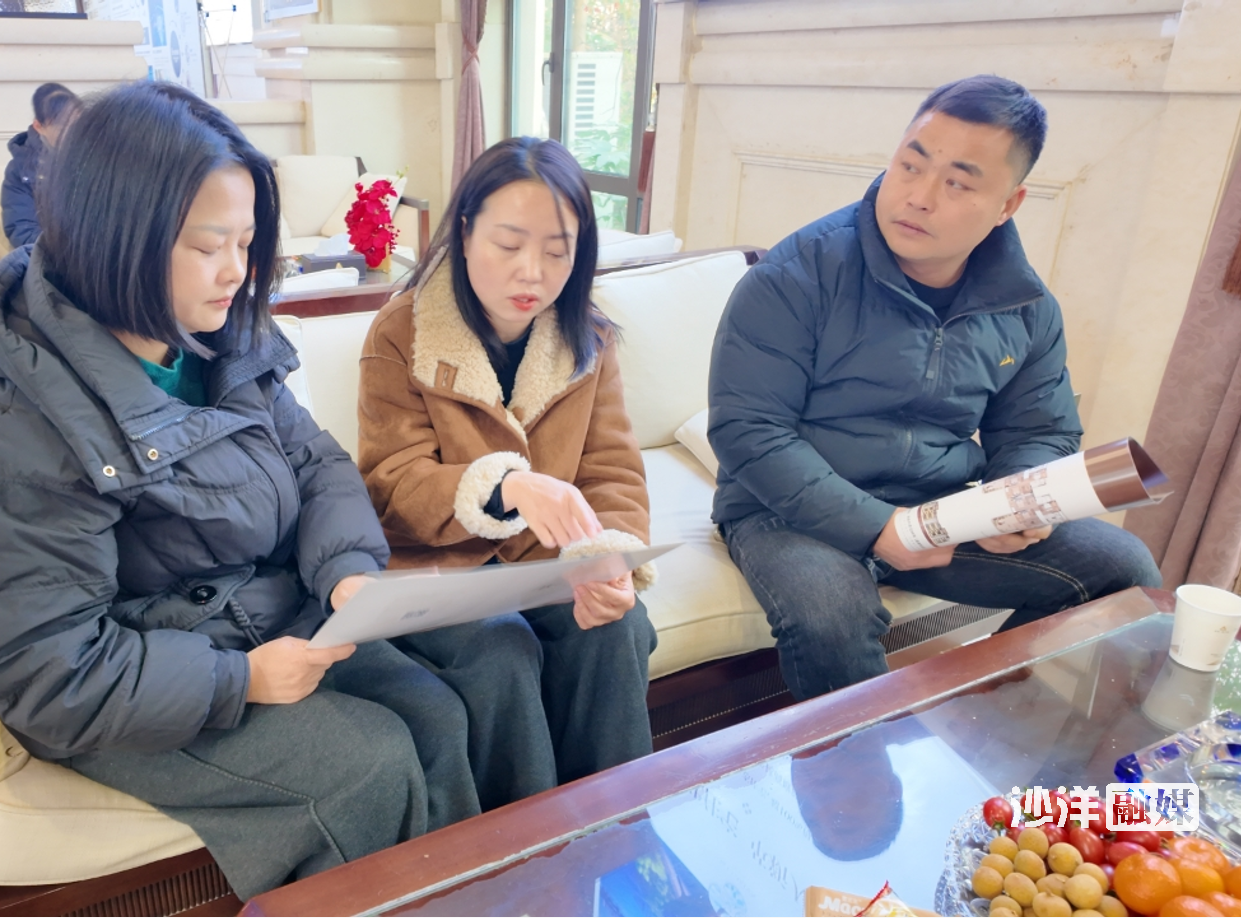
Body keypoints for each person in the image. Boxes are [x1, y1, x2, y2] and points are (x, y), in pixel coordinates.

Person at [0, 81, 481, 900]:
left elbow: (316, 464)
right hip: (127, 688)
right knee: (365, 767)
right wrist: (239, 681)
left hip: (247, 619)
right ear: (114, 237)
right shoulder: (5, 428)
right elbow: (46, 671)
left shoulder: (214, 340)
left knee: (441, 712)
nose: (237, 272)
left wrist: (346, 569)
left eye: (248, 242)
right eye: (209, 245)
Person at [708, 74, 1161, 702]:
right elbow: (749, 431)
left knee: (1124, 569)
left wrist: (1015, 502)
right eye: (910, 165)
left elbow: (1039, 429)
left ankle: (980, 723)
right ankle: (858, 762)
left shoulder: (1025, 305)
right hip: (785, 511)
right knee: (832, 615)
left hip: (934, 506)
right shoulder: (796, 274)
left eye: (958, 183)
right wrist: (876, 526)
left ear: (1008, 204)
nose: (918, 197)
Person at [356, 136, 658, 811]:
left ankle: (617, 826)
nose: (532, 274)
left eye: (557, 252)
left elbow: (611, 470)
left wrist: (608, 558)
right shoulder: (401, 331)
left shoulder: (588, 337)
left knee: (617, 629)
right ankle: (526, 848)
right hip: (439, 571)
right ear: (464, 233)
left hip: (546, 566)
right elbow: (391, 484)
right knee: (502, 651)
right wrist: (502, 485)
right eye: (508, 244)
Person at [0, 82, 83, 248]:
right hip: (53, 254)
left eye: (77, 123)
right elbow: (22, 231)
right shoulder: (20, 170)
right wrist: (71, 250)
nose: (72, 133)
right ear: (39, 126)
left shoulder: (98, 155)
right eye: (62, 126)